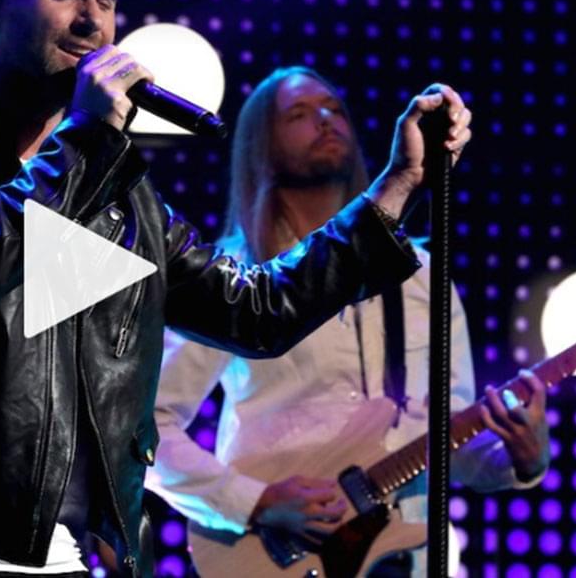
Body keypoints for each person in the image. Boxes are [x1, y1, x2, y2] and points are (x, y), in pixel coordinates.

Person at [0, 0, 472, 574]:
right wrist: (87, 140)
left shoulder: (115, 198)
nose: (92, 20)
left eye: (106, 1)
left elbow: (256, 311)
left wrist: (398, 185)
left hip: (51, 550)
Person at [145, 67, 550, 577]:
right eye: (298, 113)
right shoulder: (233, 278)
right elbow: (147, 423)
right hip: (278, 555)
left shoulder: (422, 275)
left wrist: (522, 459)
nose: (324, 119)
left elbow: (449, 441)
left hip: (408, 552)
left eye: (334, 108)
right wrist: (253, 502)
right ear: (260, 146)